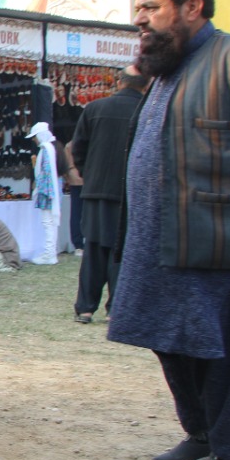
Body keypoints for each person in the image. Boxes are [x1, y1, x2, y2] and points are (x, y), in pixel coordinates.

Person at [110, 0, 230, 460]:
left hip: (221, 242)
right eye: (139, 9)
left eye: (151, 7)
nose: (141, 19)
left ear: (192, 6)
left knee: (221, 352)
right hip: (159, 244)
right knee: (170, 341)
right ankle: (201, 436)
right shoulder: (166, 67)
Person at [68, 67, 146, 323]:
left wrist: (90, 174)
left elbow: (77, 148)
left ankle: (85, 307)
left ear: (119, 83)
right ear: (145, 86)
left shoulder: (94, 109)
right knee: (122, 251)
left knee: (93, 248)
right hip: (131, 193)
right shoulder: (146, 112)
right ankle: (116, 308)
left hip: (96, 190)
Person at [26, 121, 61, 264]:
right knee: (50, 222)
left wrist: (40, 190)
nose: (34, 139)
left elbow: (45, 172)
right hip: (48, 189)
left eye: (35, 136)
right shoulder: (49, 148)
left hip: (46, 190)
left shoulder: (46, 149)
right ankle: (50, 252)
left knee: (48, 222)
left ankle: (49, 253)